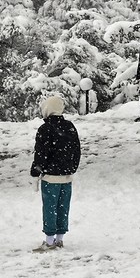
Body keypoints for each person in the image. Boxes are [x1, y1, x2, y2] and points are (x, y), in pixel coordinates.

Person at [30, 96, 81, 252]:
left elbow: (41, 154)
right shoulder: (70, 126)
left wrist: (35, 171)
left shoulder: (45, 129)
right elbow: (76, 151)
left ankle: (49, 240)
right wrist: (72, 168)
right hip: (67, 177)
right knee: (63, 207)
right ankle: (60, 239)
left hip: (50, 177)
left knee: (50, 208)